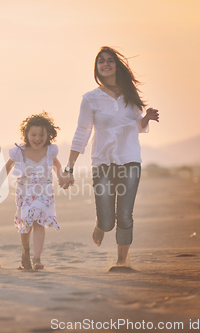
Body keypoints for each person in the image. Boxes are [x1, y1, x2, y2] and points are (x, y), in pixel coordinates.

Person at [64, 46, 159, 267]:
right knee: (108, 221)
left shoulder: (131, 96)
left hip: (130, 161)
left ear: (117, 65)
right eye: (101, 61)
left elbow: (136, 126)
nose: (105, 64)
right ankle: (101, 224)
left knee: (125, 216)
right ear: (97, 68)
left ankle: (121, 261)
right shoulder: (90, 99)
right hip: (103, 164)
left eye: (110, 60)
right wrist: (70, 167)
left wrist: (146, 119)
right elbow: (82, 133)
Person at [0, 112, 66, 270]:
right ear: (26, 135)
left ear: (48, 135)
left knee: (39, 220)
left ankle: (37, 257)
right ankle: (25, 250)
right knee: (26, 223)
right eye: (33, 134)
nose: (37, 139)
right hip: (24, 193)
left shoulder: (50, 151)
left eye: (42, 135)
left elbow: (57, 165)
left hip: (44, 193)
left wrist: (61, 177)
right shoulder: (19, 152)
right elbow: (6, 168)